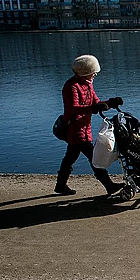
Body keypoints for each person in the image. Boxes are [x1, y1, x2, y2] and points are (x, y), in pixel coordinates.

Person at [55, 54, 125, 196]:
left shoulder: (87, 85)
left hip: (83, 128)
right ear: (86, 72)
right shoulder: (71, 86)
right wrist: (93, 109)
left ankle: (60, 185)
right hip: (75, 129)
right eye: (93, 72)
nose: (95, 75)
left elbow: (96, 103)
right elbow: (73, 108)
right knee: (94, 158)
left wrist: (110, 103)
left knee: (70, 158)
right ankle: (109, 185)